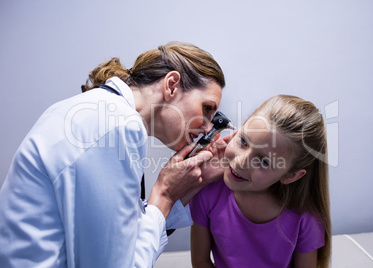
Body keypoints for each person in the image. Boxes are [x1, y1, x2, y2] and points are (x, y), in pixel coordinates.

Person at [0, 41, 228, 267]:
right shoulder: (118, 126)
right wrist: (165, 193)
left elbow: (124, 236)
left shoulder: (100, 111)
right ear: (171, 85)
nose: (208, 128)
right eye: (207, 109)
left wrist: (187, 187)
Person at [190, 95, 332, 268]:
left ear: (291, 175)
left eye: (264, 161)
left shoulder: (305, 220)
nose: (241, 161)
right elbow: (200, 262)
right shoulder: (207, 194)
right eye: (243, 141)